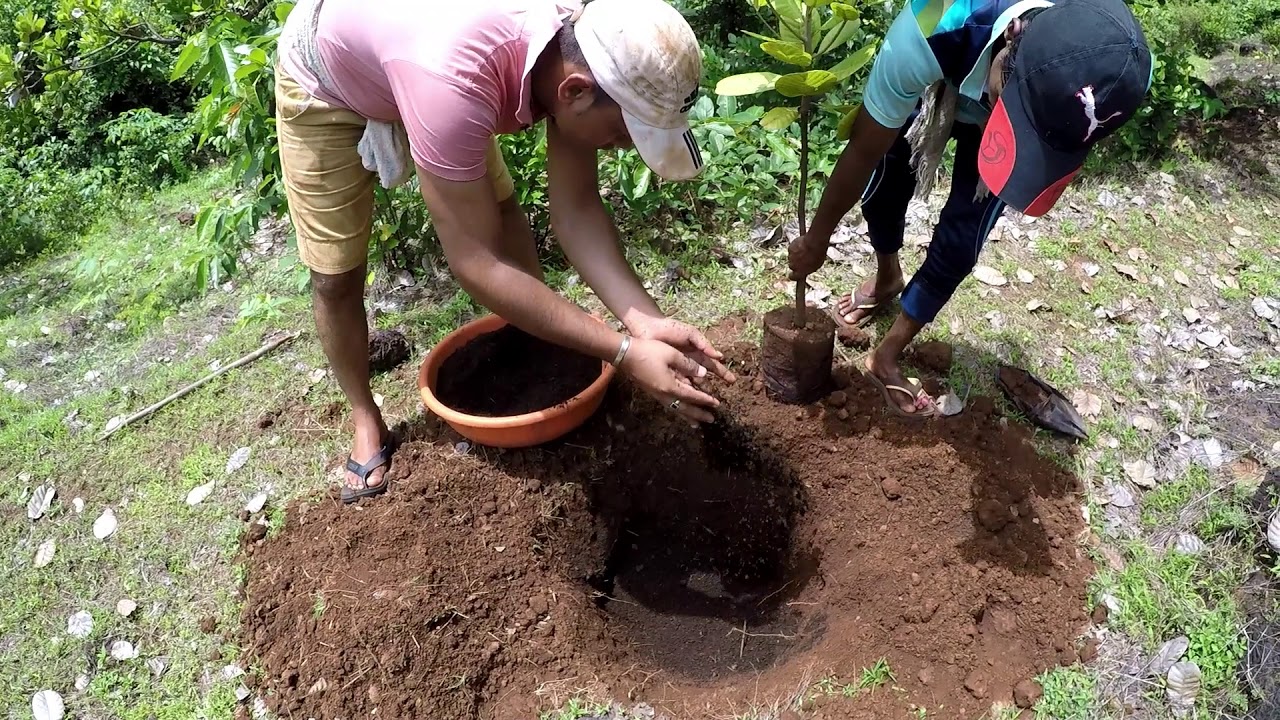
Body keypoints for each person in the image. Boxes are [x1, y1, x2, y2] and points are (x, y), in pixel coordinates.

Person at [275, 0, 736, 502]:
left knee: (504, 214)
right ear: (575, 90)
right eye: (624, 134)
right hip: (326, 79)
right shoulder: (454, 86)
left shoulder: (579, 38)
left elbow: (576, 208)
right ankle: (365, 417)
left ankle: (536, 342)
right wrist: (622, 351)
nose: (624, 148)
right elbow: (477, 265)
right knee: (336, 277)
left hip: (424, 60)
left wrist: (644, 321)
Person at [788, 0, 1152, 417]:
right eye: (1010, 111)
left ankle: (886, 355)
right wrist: (818, 237)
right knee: (888, 180)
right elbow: (865, 148)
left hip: (1009, 85)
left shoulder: (1123, 66)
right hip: (945, 72)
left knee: (963, 234)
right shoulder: (931, 28)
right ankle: (889, 276)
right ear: (1013, 35)